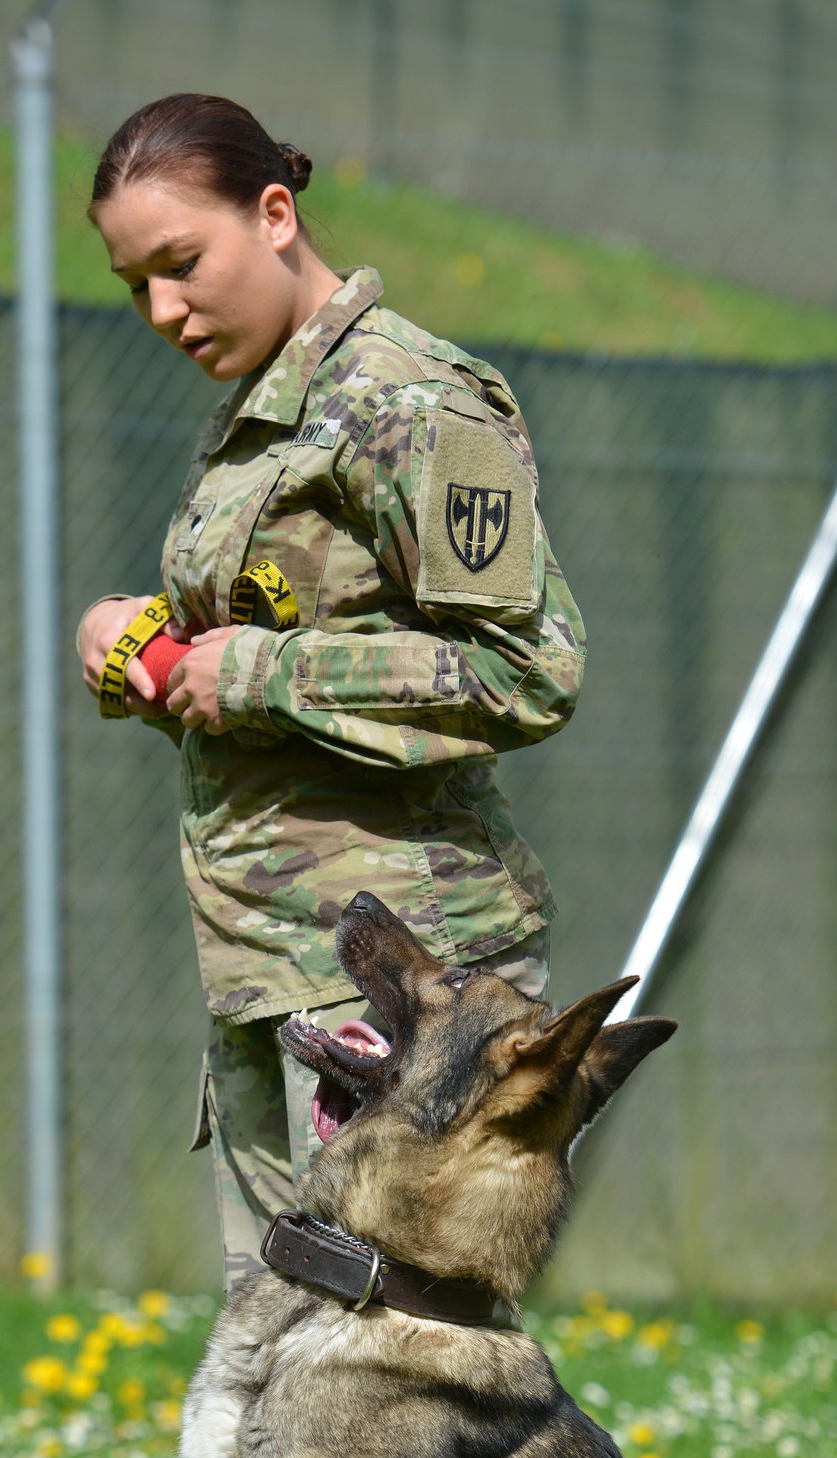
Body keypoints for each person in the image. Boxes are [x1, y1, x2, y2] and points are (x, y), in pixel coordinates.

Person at [77, 93, 586, 1290]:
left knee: (380, 1382)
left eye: (181, 264)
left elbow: (531, 668)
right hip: (270, 956)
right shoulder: (263, 415)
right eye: (132, 284)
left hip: (403, 979)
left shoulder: (408, 403)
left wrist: (252, 672)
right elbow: (288, 633)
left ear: (273, 213)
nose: (161, 310)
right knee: (282, 1363)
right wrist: (146, 643)